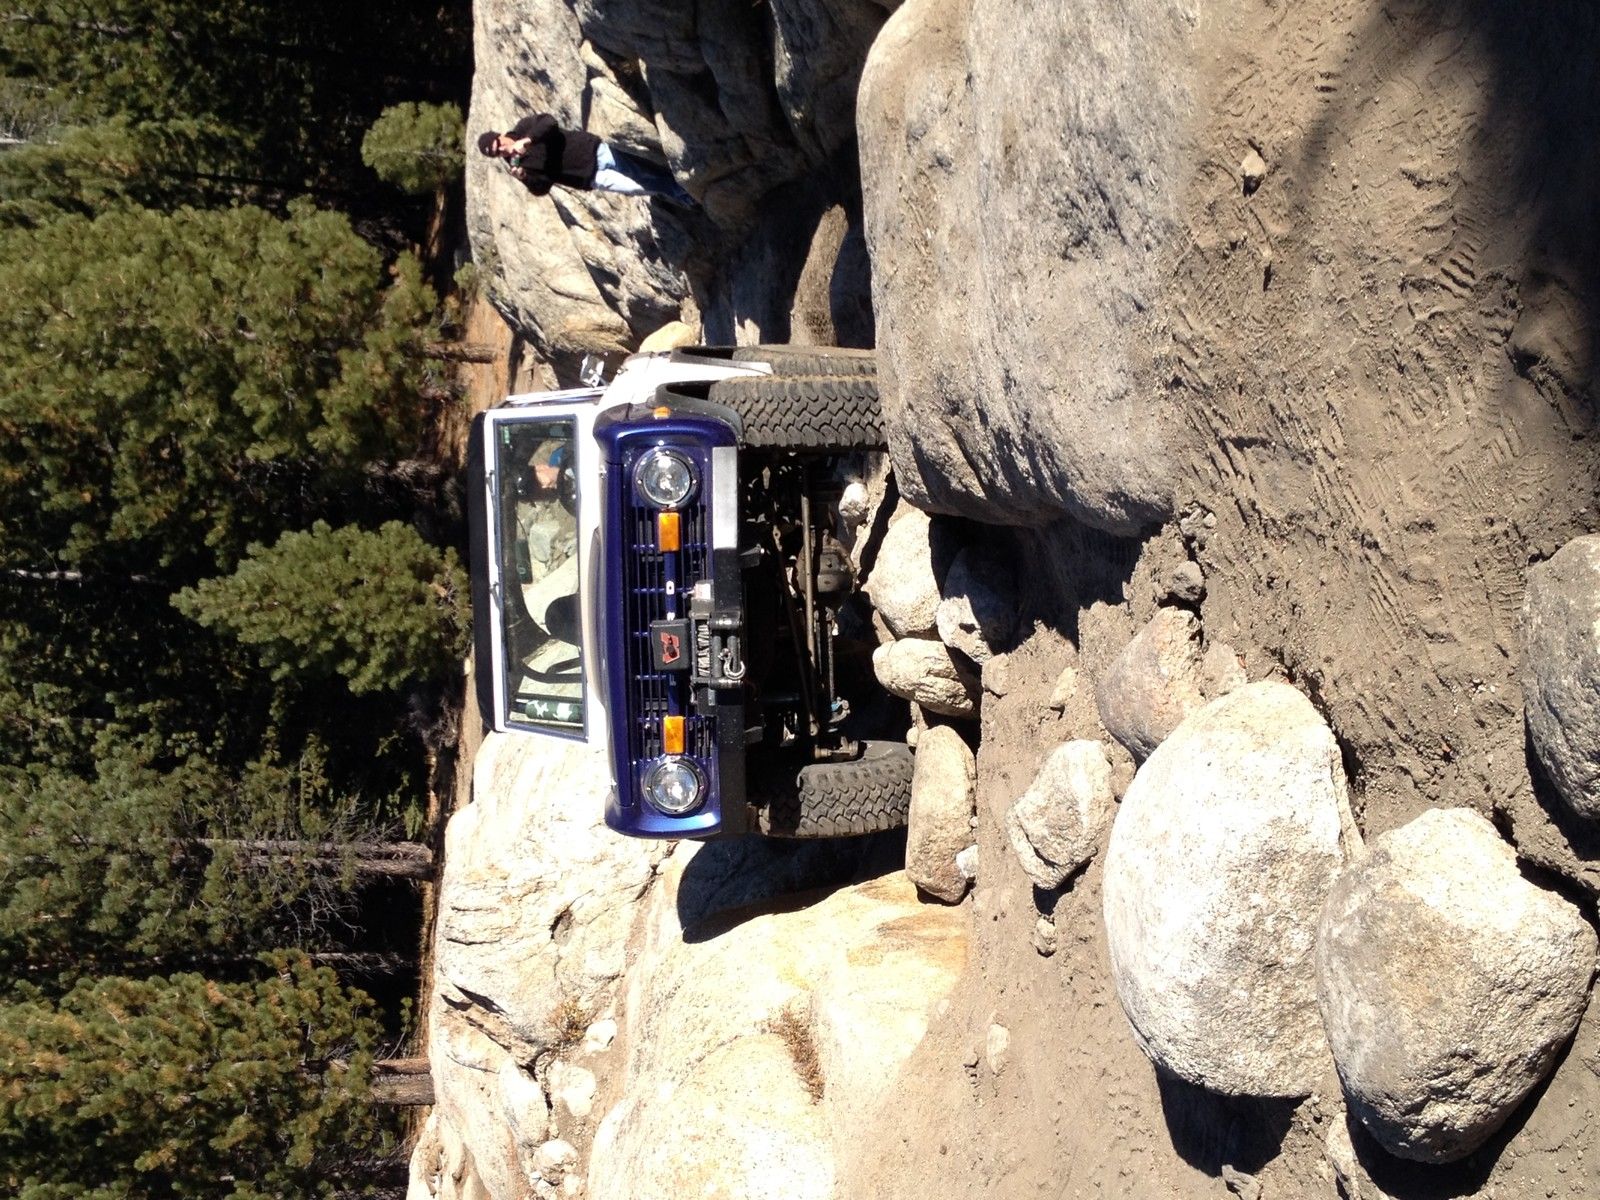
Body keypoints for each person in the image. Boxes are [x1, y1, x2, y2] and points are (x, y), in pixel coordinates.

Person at [476, 112, 697, 207]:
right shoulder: (517, 166)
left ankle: (684, 190)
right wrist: (524, 177)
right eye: (497, 153)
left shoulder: (523, 128)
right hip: (589, 177)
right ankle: (682, 191)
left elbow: (550, 122)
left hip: (593, 150)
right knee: (636, 186)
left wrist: (528, 140)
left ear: (500, 135)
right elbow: (542, 188)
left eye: (499, 144)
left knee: (639, 170)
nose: (502, 150)